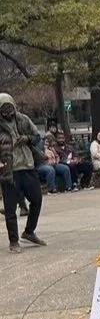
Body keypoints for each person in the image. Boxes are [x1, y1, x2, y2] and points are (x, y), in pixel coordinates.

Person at [0, 93, 47, 252]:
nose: (7, 110)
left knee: (37, 199)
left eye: (9, 106)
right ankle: (14, 241)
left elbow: (37, 136)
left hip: (27, 165)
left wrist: (26, 138)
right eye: (3, 107)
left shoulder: (23, 119)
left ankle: (29, 232)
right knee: (10, 208)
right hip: (9, 170)